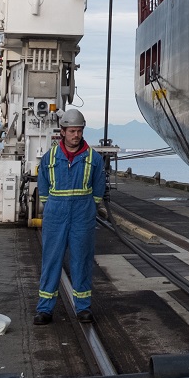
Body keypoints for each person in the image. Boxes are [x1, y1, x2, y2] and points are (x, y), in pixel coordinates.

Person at [33, 108, 107, 325]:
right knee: (51, 260)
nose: (76, 135)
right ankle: (45, 308)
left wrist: (88, 208)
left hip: (82, 215)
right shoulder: (50, 158)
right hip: (56, 214)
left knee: (82, 260)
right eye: (72, 131)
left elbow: (98, 189)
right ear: (63, 132)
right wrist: (53, 205)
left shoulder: (93, 158)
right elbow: (44, 188)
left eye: (79, 131)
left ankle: (83, 307)